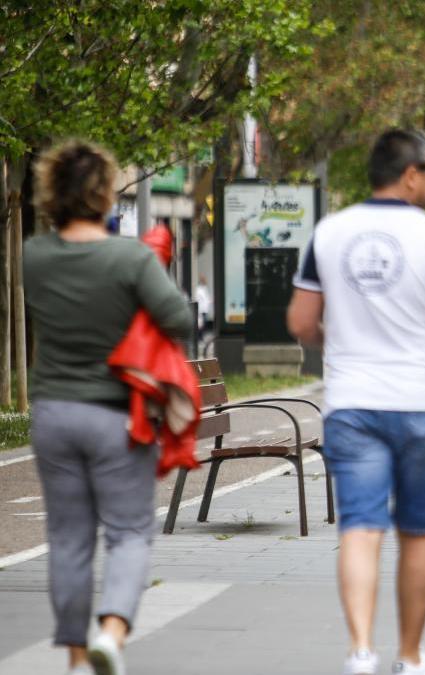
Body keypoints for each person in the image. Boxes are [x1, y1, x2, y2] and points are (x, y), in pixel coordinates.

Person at [287, 129, 425, 675]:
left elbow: (301, 323)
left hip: (351, 404)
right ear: (410, 174)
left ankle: (360, 652)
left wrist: (346, 344)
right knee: (418, 530)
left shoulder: (328, 233)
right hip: (422, 403)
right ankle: (408, 657)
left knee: (360, 524)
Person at [24, 140, 193, 675]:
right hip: (118, 417)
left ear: (52, 193)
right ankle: (112, 631)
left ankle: (77, 657)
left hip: (53, 414)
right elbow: (178, 320)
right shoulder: (130, 258)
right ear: (103, 193)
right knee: (127, 532)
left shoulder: (33, 256)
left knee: (68, 538)